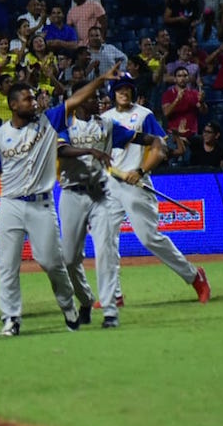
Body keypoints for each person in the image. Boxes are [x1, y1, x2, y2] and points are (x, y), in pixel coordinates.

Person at [0, 67, 117, 337]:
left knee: (52, 262)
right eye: (27, 99)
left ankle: (67, 305)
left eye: (34, 98)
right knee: (7, 265)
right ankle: (11, 319)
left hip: (42, 204)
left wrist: (99, 80)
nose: (34, 102)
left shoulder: (48, 122)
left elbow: (73, 100)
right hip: (11, 205)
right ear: (13, 105)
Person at [99, 74, 212, 328]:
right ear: (112, 93)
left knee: (150, 238)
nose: (123, 93)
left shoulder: (144, 115)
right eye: (119, 89)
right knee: (104, 239)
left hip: (136, 184)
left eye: (127, 88)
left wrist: (140, 171)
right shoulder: (104, 119)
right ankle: (112, 295)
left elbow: (159, 149)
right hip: (111, 185)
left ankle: (195, 277)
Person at [56, 81, 166, 330]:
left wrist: (158, 142)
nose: (99, 102)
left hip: (101, 194)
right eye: (93, 98)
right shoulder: (65, 124)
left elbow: (145, 138)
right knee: (69, 258)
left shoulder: (107, 124)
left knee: (105, 249)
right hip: (72, 193)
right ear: (79, 101)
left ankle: (109, 310)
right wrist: (91, 152)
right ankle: (85, 299)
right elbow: (61, 150)